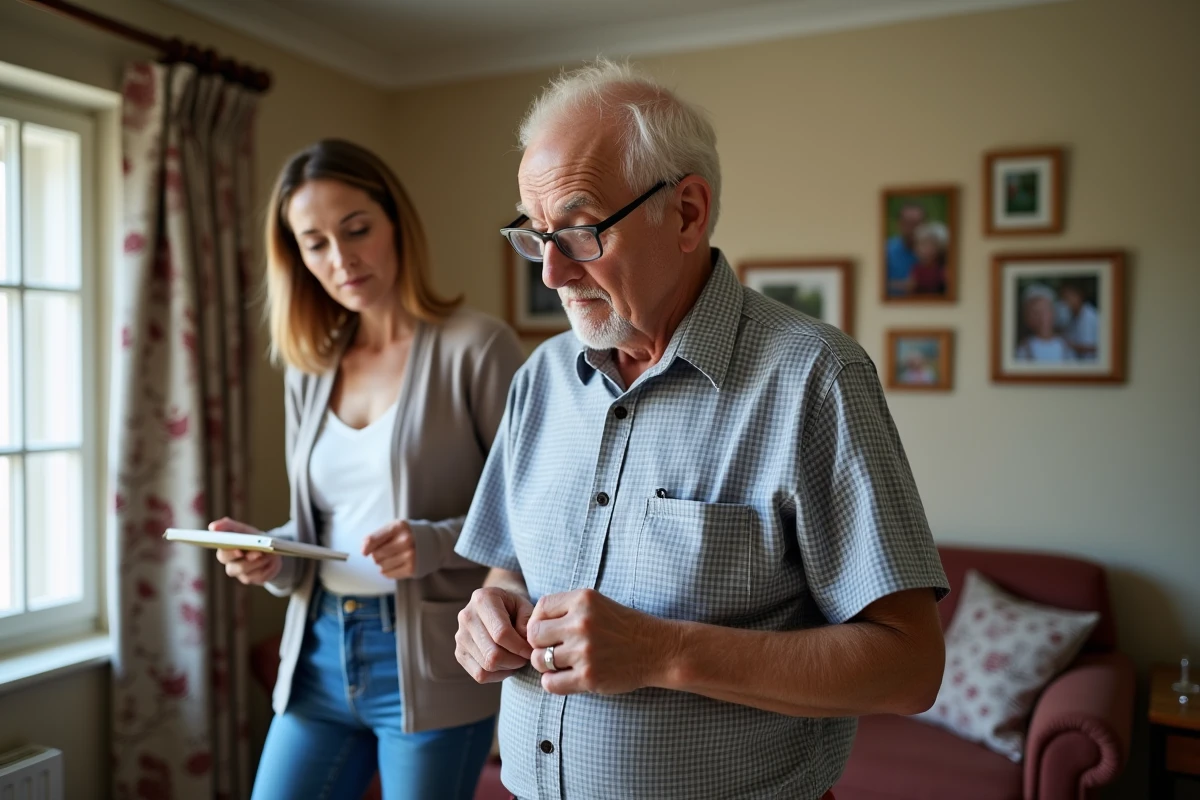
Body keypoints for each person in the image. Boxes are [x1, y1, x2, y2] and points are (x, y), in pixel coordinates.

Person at [453, 61, 948, 800]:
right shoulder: (541, 378)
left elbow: (909, 668)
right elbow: (507, 569)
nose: (551, 274)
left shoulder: (815, 377)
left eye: (581, 231)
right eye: (536, 234)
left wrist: (660, 652)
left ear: (686, 213)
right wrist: (490, 612)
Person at [210, 139, 524, 800]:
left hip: (431, 663)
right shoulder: (310, 367)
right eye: (315, 243)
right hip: (317, 652)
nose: (341, 259)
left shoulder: (476, 347)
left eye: (356, 230)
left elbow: (533, 510)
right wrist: (273, 556)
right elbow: (324, 527)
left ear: (396, 224)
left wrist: (433, 543)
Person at [1016, 283, 1074, 362]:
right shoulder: (1024, 348)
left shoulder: (1065, 346)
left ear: (1054, 313)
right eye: (1035, 313)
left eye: (1045, 311)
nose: (1042, 317)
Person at [886, 202, 925, 296]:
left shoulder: (940, 251)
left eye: (916, 223)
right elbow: (873, 283)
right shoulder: (886, 250)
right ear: (899, 224)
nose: (912, 229)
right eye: (908, 223)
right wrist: (902, 286)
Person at [1057, 281, 1098, 359]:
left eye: (1068, 297)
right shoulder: (1070, 316)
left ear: (1079, 296)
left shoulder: (1092, 316)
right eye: (1063, 298)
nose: (1066, 301)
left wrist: (1073, 346)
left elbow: (1099, 347)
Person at [908, 220, 948, 295]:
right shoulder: (917, 269)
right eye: (917, 243)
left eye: (924, 244)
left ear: (939, 246)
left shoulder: (944, 269)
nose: (917, 248)